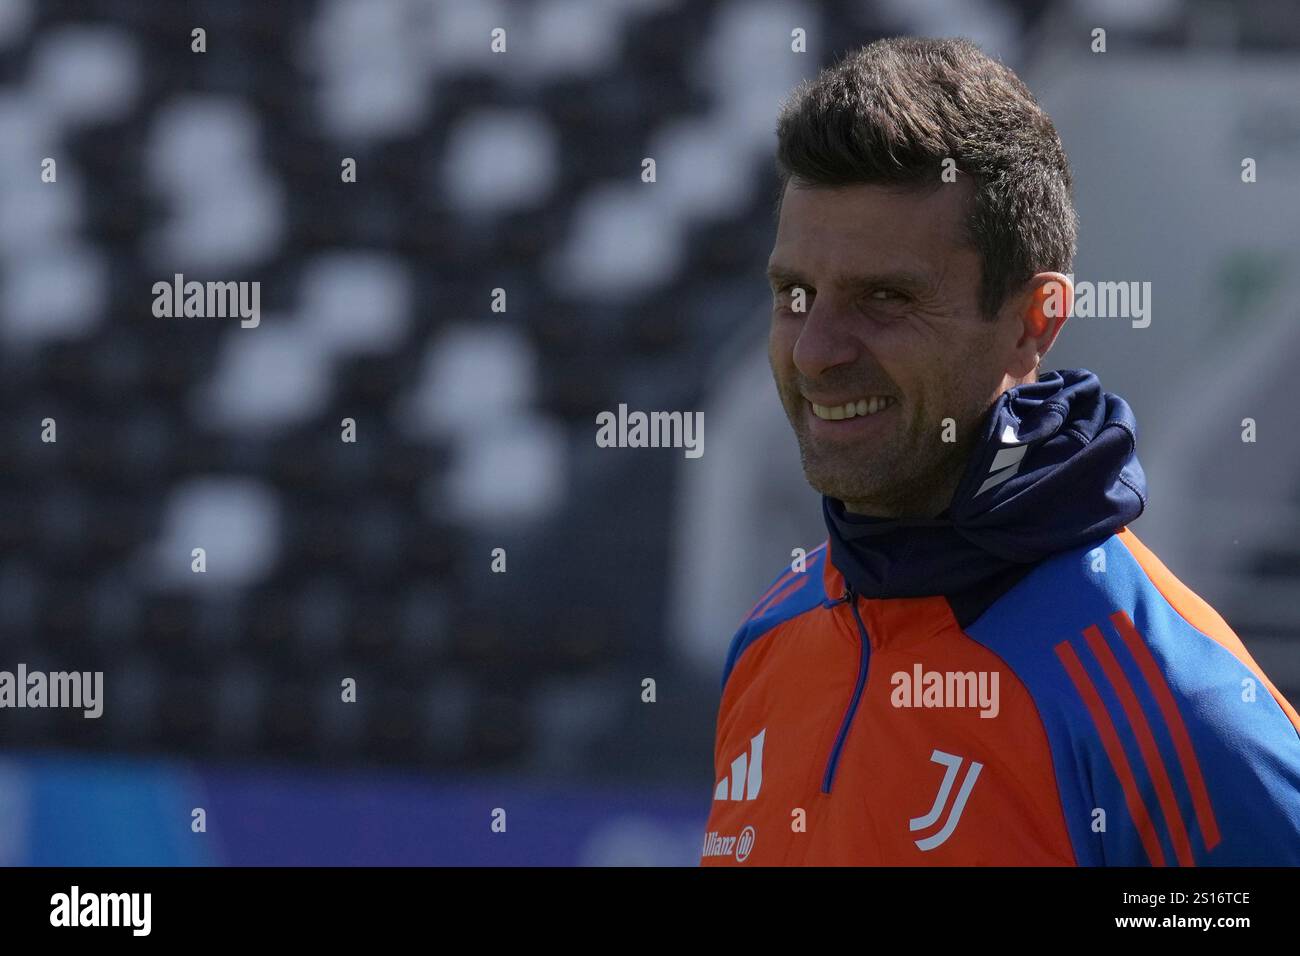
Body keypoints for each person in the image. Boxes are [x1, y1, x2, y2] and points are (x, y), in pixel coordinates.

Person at [701, 36, 1300, 865]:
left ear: (1033, 320)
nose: (816, 352)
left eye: (886, 298)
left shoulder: (1175, 705)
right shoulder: (772, 636)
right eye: (795, 295)